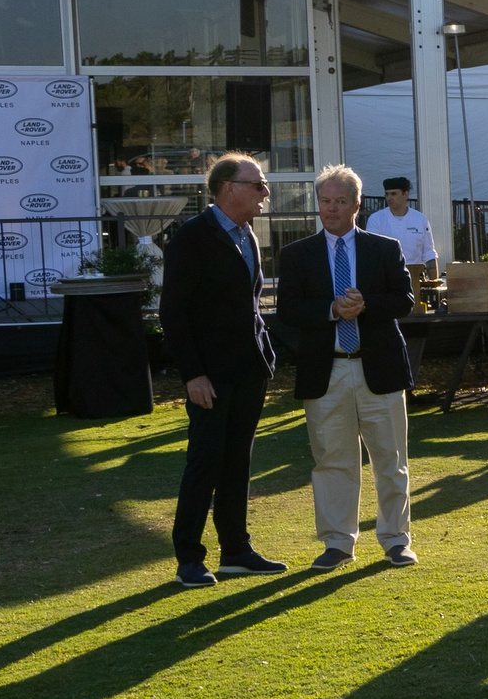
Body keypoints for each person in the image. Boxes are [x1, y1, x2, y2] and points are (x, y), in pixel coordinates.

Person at [277, 165, 418, 570]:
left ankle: (396, 540)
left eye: (341, 202)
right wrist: (331, 309)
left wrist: (365, 303)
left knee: (391, 461)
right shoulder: (297, 254)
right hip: (328, 371)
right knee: (332, 461)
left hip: (379, 368)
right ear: (317, 205)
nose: (332, 209)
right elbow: (287, 310)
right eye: (325, 202)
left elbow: (404, 301)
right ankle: (337, 542)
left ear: (357, 204)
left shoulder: (384, 248)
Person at [159, 153, 283, 588]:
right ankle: (189, 558)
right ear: (228, 188)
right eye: (258, 184)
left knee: (237, 462)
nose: (265, 192)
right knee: (205, 462)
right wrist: (193, 374)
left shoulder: (247, 234)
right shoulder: (192, 237)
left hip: (249, 368)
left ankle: (235, 550)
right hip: (210, 376)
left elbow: (248, 306)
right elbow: (173, 314)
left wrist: (265, 357)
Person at [364, 176, 438, 273]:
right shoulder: (376, 219)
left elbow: (429, 253)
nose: (389, 198)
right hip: (387, 275)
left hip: (416, 275)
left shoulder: (420, 219)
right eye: (387, 194)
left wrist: (434, 282)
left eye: (394, 194)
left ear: (405, 194)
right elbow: (372, 252)